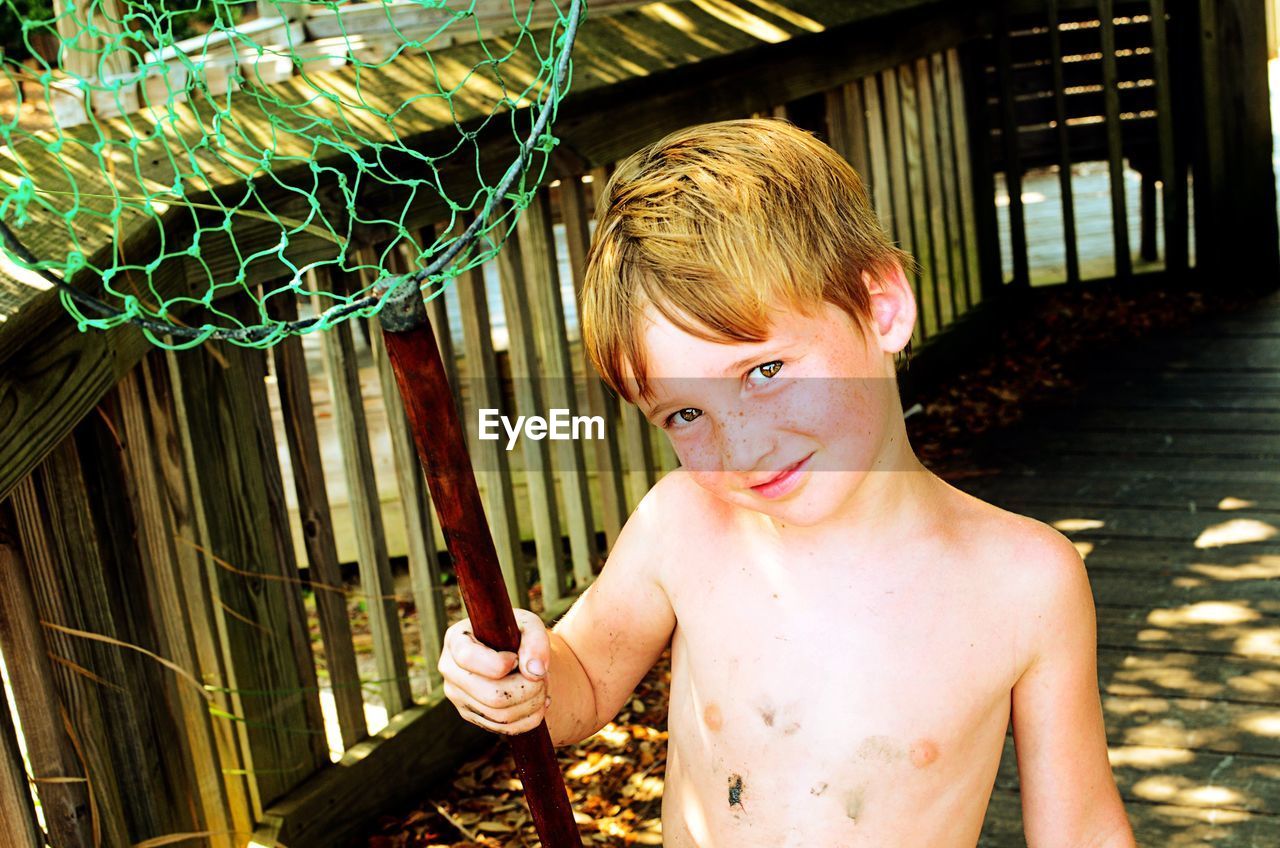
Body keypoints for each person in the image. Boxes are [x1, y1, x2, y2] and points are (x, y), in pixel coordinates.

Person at [438, 118, 1136, 847]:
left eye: (764, 372)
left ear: (880, 307)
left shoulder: (1026, 581)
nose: (742, 446)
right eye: (683, 413)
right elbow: (578, 685)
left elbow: (1081, 828)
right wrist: (516, 671)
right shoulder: (683, 523)